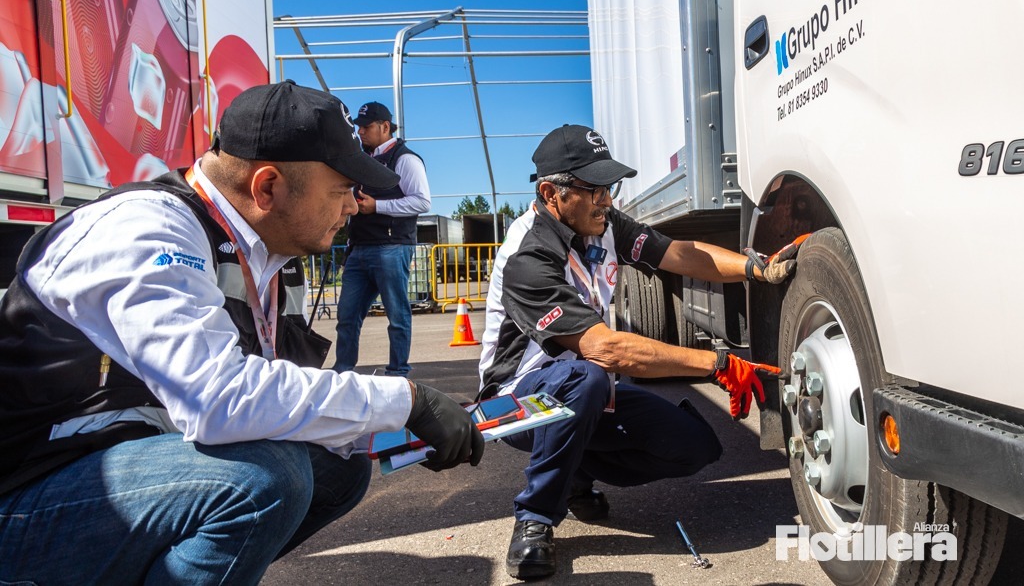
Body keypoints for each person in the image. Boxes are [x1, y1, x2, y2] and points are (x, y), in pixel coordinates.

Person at [0, 81, 484, 585]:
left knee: (338, 467)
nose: (351, 206)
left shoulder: (272, 256)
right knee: (262, 477)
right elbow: (220, 399)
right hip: (25, 490)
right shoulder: (147, 229)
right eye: (342, 190)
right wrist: (404, 400)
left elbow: (275, 390)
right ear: (267, 187)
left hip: (114, 466)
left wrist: (376, 431)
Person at [479, 124, 799, 580]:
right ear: (551, 193)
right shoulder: (527, 256)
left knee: (694, 447)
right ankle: (535, 516)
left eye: (609, 187)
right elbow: (605, 349)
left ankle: (572, 474)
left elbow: (680, 254)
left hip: (581, 391)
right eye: (593, 189)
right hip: (513, 403)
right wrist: (717, 363)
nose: (606, 199)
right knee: (586, 379)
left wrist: (754, 267)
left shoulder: (605, 226)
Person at [332, 101, 430, 377]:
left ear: (385, 127)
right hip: (359, 248)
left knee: (397, 317)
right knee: (347, 317)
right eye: (359, 127)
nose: (360, 131)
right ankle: (343, 372)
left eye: (366, 126)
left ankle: (398, 372)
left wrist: (378, 206)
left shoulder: (406, 158)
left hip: (391, 247)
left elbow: (422, 202)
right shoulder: (361, 158)